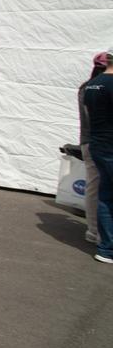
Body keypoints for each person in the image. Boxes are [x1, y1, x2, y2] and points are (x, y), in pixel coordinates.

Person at [82, 48, 113, 264]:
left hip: (97, 143)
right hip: (107, 145)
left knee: (104, 195)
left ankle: (105, 247)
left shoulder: (91, 86)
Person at [78, 52, 108, 245]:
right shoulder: (95, 88)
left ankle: (94, 229)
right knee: (98, 188)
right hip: (97, 141)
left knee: (94, 186)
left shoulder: (87, 87)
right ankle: (96, 231)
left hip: (90, 140)